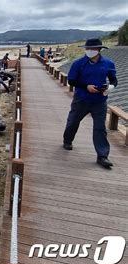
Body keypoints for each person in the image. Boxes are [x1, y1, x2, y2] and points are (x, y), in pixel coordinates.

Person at [63, 38, 117, 169]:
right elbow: (71, 80)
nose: (89, 51)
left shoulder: (108, 63)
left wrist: (109, 88)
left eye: (91, 49)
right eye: (87, 49)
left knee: (100, 128)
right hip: (81, 99)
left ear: (99, 49)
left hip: (99, 101)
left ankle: (102, 156)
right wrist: (86, 86)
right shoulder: (78, 63)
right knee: (73, 121)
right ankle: (68, 140)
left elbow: (114, 81)